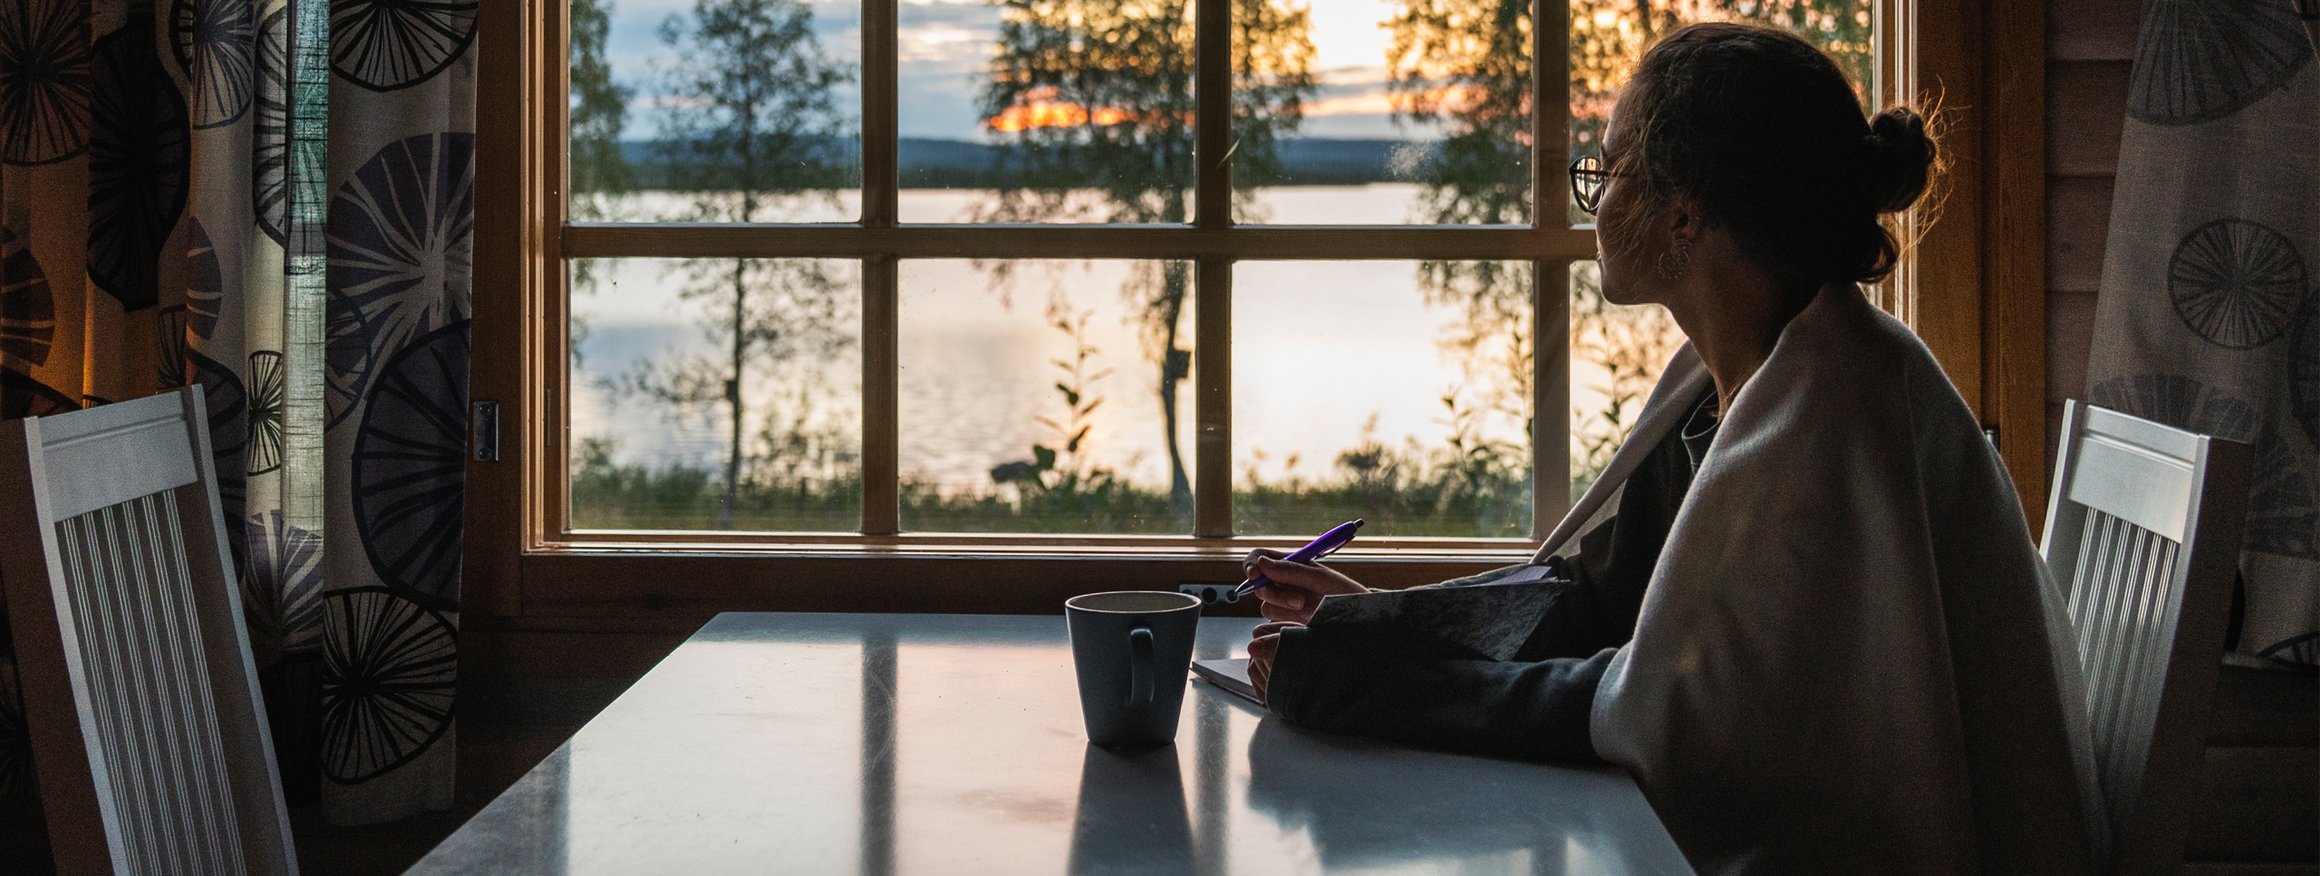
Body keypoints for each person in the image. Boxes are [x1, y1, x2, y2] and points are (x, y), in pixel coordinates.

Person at [1241, 22, 2102, 874]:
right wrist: (1384, 622)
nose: (1596, 196)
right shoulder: (1742, 377)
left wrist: (1360, 685)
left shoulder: (1829, 418)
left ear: (1685, 215)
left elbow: (1650, 711)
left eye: (1610, 169)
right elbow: (1601, 600)